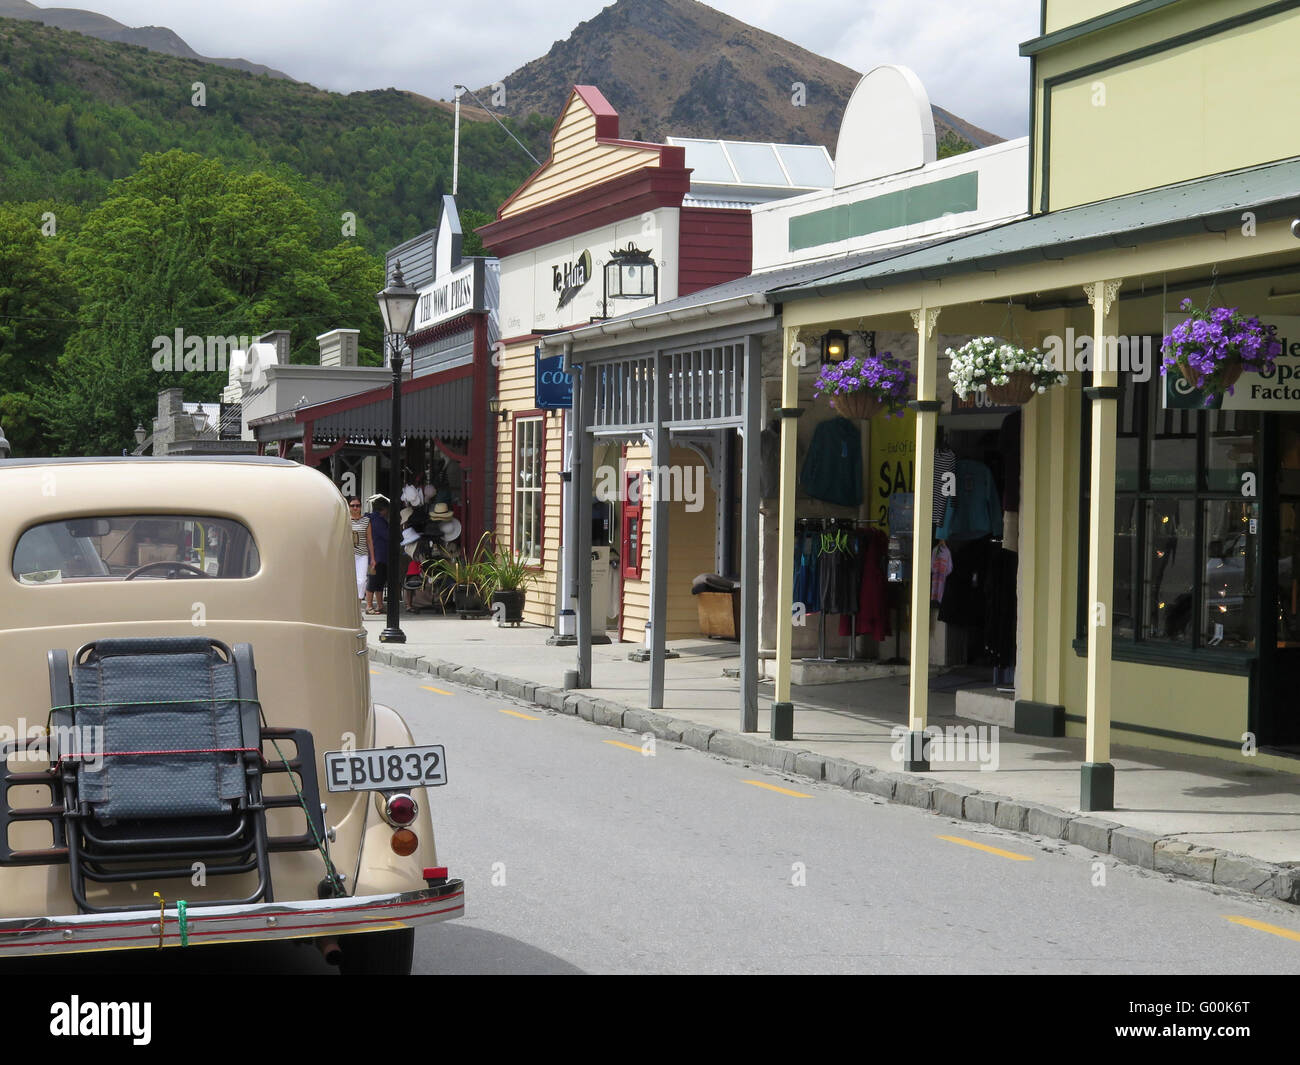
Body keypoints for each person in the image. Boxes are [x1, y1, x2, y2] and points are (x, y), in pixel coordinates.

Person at [364, 496, 390, 615]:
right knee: (374, 581)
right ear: (383, 509)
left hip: (373, 556)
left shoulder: (370, 519)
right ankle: (369, 606)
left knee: (377, 581)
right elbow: (387, 536)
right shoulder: (378, 521)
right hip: (377, 557)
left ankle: (379, 605)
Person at [347, 498, 370, 603]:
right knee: (349, 582)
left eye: (357, 505)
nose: (355, 508)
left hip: (362, 554)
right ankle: (351, 608)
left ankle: (358, 606)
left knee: (361, 581)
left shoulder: (366, 520)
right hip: (348, 555)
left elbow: (369, 540)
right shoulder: (346, 520)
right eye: (352, 505)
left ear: (361, 507)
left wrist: (373, 558)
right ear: (349, 507)